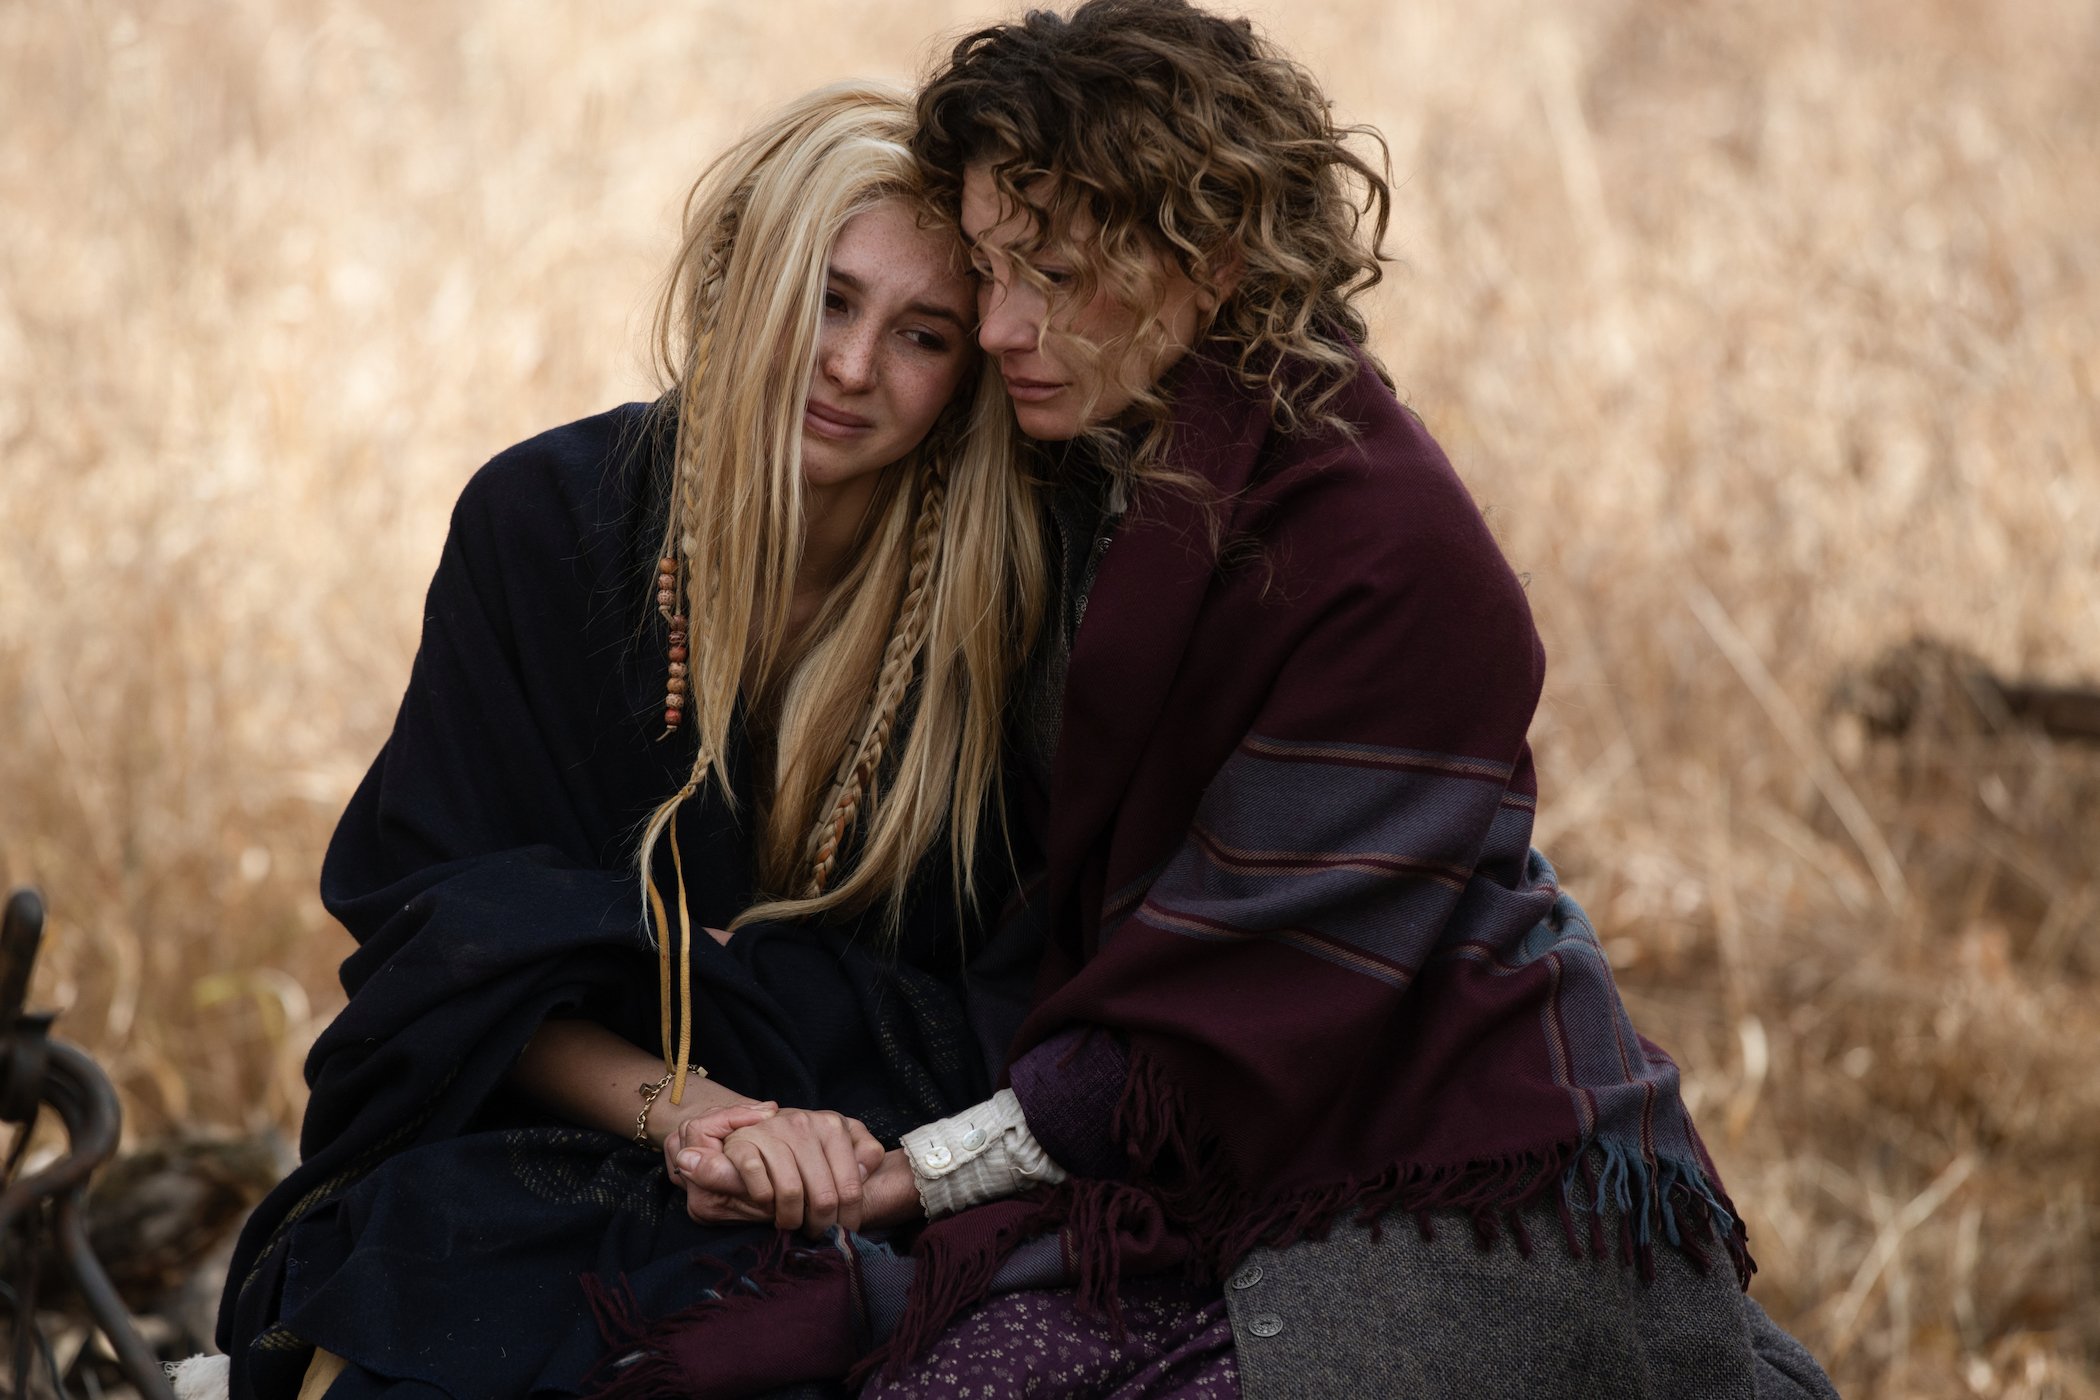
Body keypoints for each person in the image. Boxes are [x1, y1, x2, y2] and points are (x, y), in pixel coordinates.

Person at [631, 3, 1841, 1397]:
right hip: (1181, 1139)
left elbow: (1236, 1008)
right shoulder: (1102, 446)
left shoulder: (1389, 549)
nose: (1001, 325)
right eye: (989, 269)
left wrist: (915, 1172)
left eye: (1055, 275)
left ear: (1209, 260)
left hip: (1447, 1163)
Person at [211, 83, 1047, 1400]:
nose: (851, 367)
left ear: (970, 369)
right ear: (737, 283)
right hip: (549, 1134)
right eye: (826, 300)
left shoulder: (1004, 600)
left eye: (921, 334)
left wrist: (829, 1149)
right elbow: (446, 935)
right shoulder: (545, 520)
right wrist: (701, 1115)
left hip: (871, 1171)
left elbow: (1002, 984)